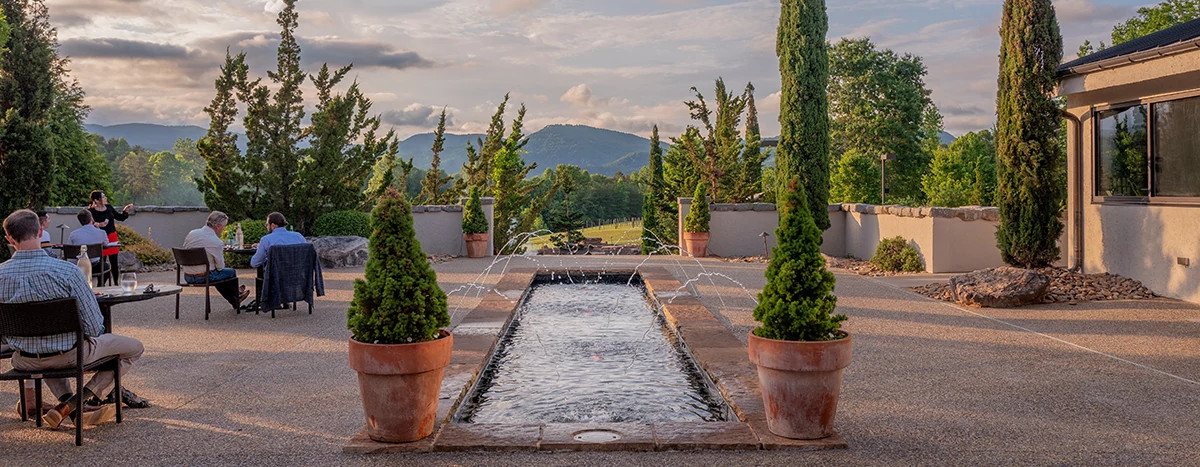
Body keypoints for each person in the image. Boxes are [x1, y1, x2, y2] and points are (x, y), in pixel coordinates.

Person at [1, 209, 143, 428]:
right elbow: (95, 327)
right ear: (40, 231)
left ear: (9, 238)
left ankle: (65, 404)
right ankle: (76, 402)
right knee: (134, 348)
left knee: (45, 346)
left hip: (25, 359)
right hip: (69, 356)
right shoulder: (67, 272)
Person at [182, 211, 249, 310]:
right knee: (229, 272)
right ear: (218, 226)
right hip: (203, 277)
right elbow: (220, 267)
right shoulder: (216, 242)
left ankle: (236, 295)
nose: (223, 229)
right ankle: (235, 298)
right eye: (224, 226)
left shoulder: (192, 233)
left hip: (187, 276)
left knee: (218, 275)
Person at [87, 190, 132, 286]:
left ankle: (116, 283)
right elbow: (88, 224)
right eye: (103, 197)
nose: (105, 198)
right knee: (102, 262)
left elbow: (120, 217)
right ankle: (101, 284)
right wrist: (98, 224)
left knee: (114, 262)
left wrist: (125, 211)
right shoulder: (91, 211)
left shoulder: (109, 207)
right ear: (97, 200)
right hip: (99, 237)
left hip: (111, 236)